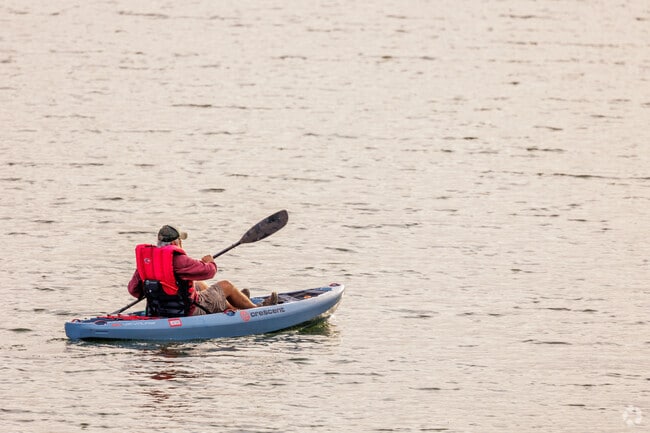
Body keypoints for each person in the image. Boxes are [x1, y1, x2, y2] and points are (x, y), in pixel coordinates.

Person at [127, 224, 278, 317]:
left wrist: (158, 294)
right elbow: (209, 272)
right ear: (175, 242)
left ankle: (234, 305)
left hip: (159, 310)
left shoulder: (147, 262)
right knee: (226, 286)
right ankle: (256, 310)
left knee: (198, 284)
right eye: (180, 241)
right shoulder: (180, 260)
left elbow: (133, 290)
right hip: (188, 311)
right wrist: (209, 262)